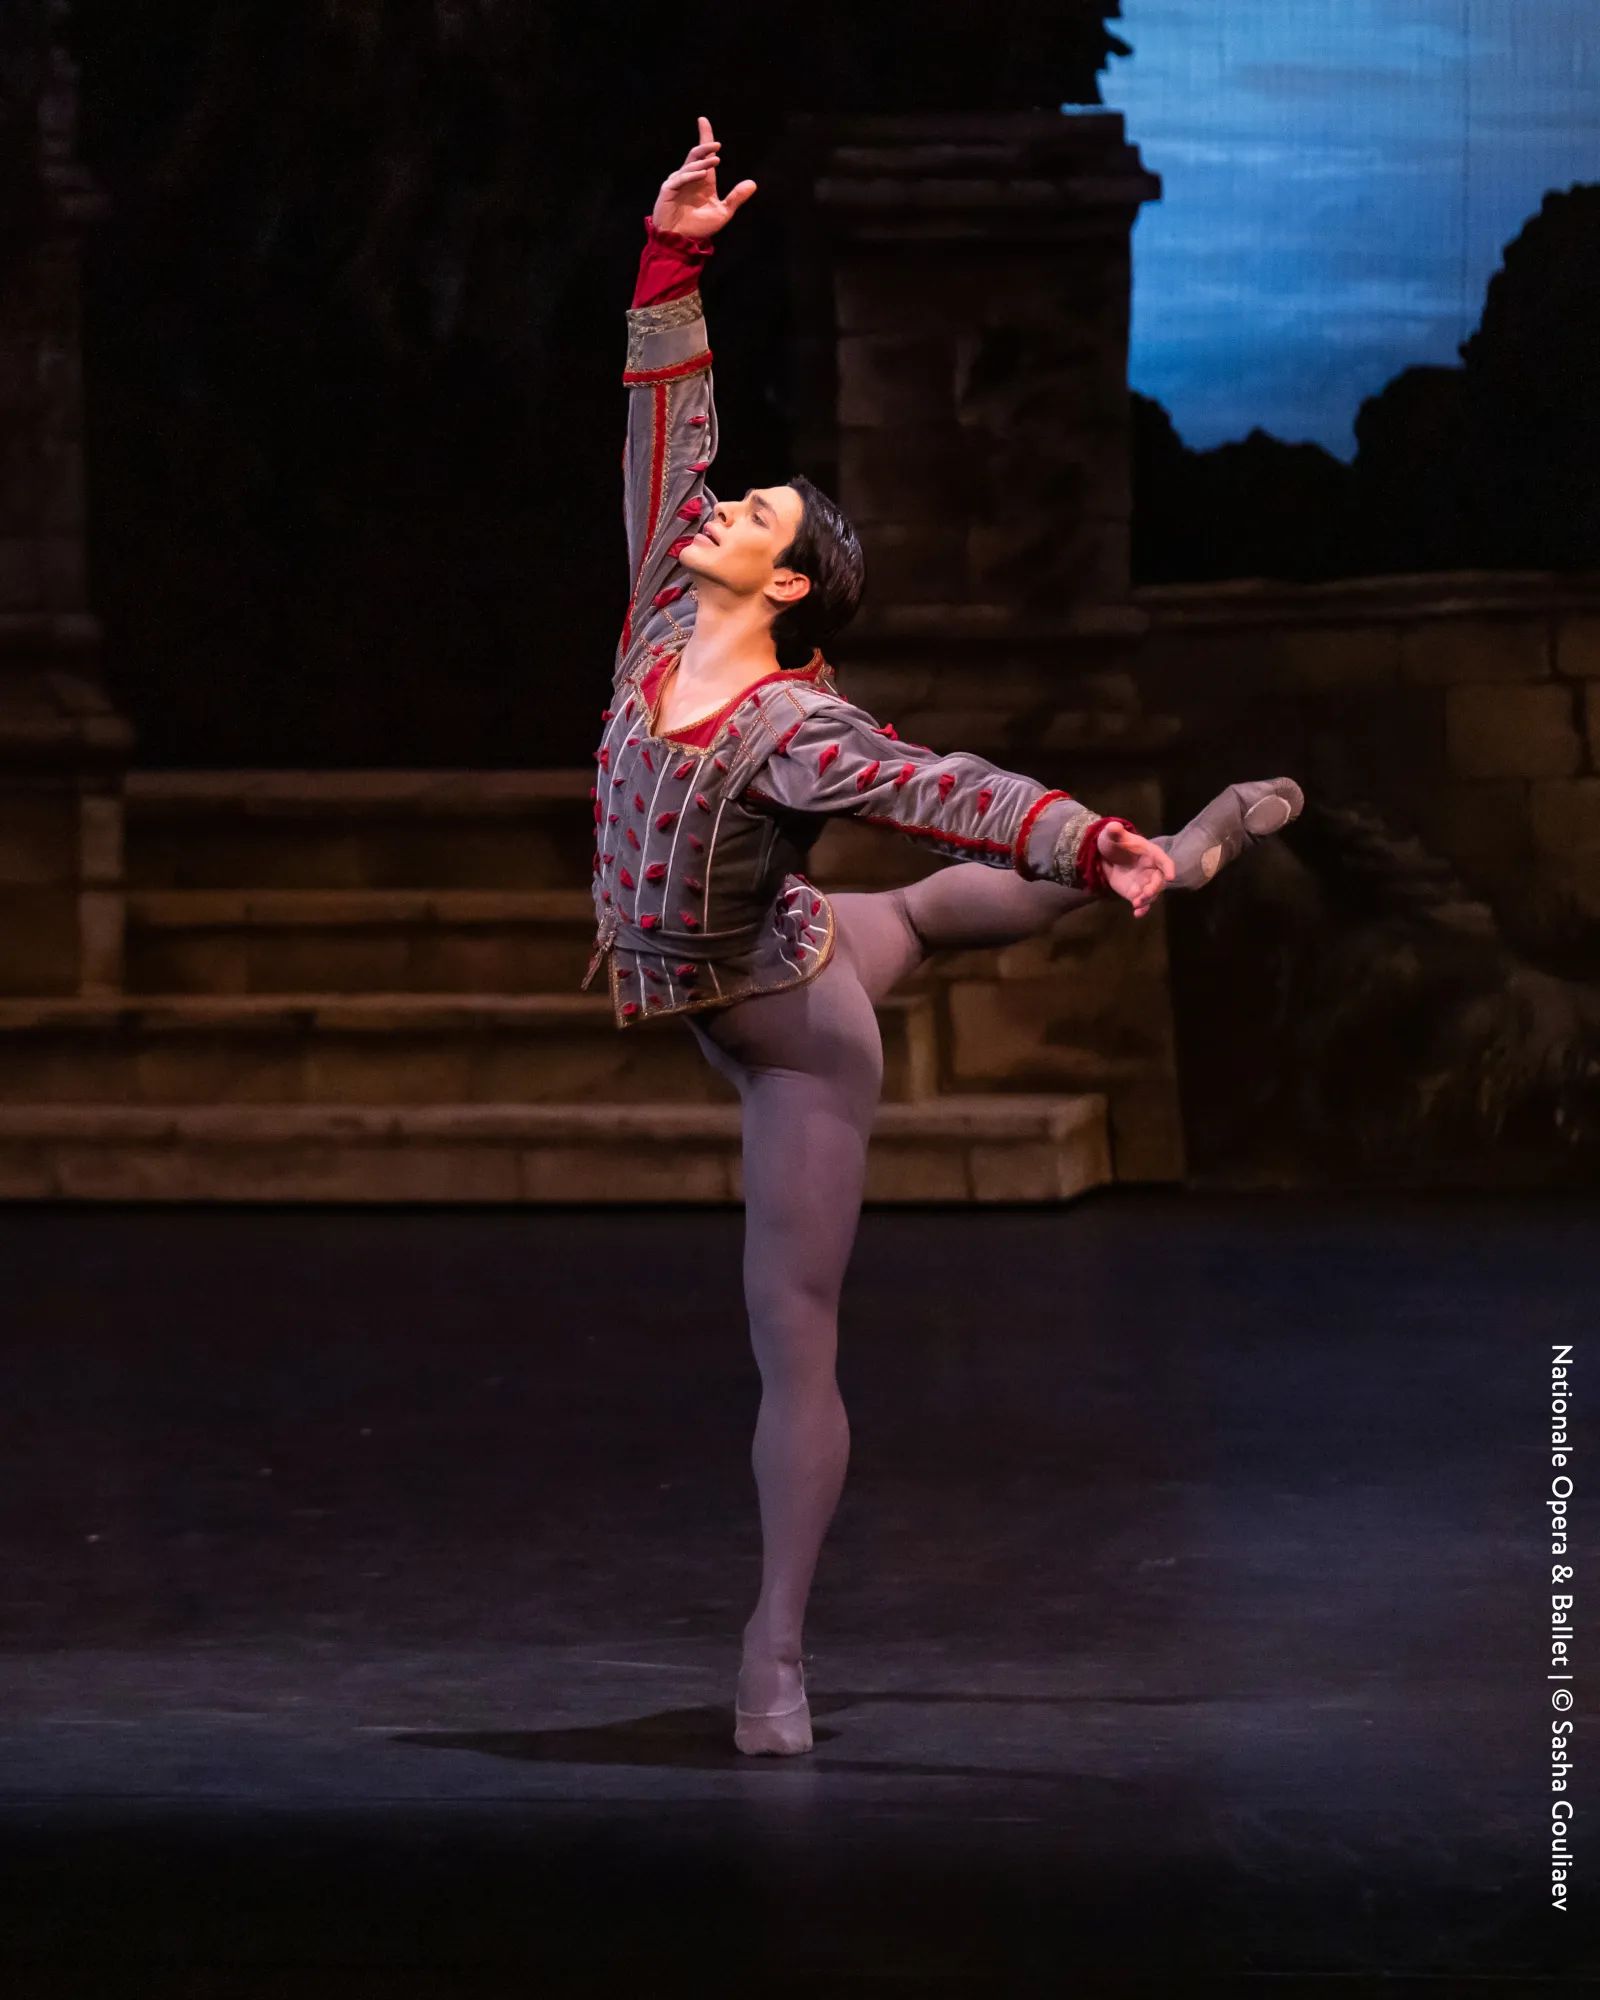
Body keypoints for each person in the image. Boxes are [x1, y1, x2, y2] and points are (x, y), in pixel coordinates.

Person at [584, 118, 1303, 1755]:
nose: (718, 509)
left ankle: (774, 1652)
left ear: (788, 590)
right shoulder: (657, 618)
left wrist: (1079, 832)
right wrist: (675, 254)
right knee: (905, 918)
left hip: (793, 1026)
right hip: (797, 931)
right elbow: (663, 435)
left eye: (751, 514)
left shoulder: (792, 731)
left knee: (794, 1337)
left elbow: (943, 787)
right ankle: (1172, 856)